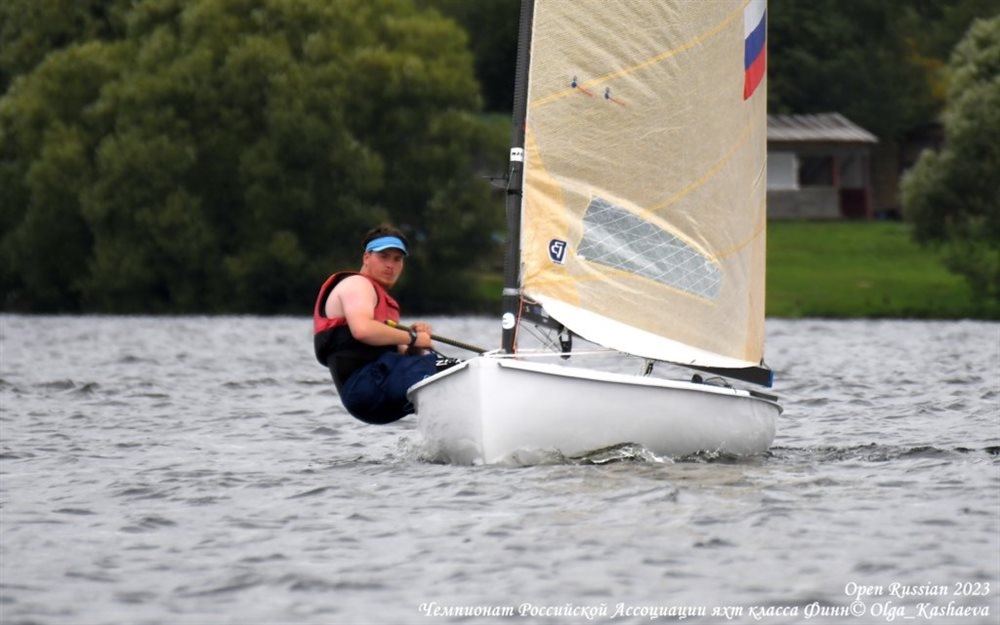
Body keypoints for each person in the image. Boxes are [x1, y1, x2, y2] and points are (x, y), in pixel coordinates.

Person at [313, 225, 445, 424]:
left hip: (376, 396)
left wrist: (415, 346)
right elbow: (362, 330)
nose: (390, 265)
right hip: (365, 387)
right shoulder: (357, 284)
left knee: (449, 370)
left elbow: (404, 357)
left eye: (397, 259)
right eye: (384, 257)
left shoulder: (380, 300)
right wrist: (413, 337)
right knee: (452, 369)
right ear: (366, 257)